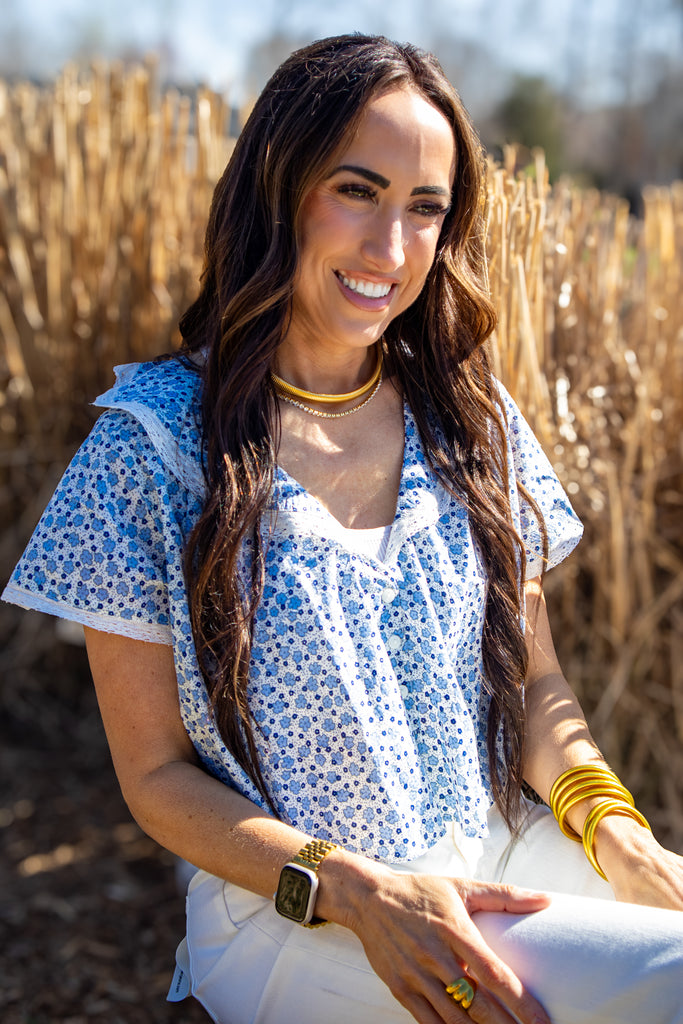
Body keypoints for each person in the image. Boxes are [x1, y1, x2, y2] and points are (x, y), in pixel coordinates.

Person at [3, 34, 683, 1024]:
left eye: (424, 208)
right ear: (277, 190)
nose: (390, 250)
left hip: (497, 851)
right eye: (356, 191)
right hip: (294, 912)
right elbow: (155, 779)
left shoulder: (471, 420)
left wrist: (617, 834)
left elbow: (533, 684)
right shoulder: (148, 447)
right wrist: (356, 893)